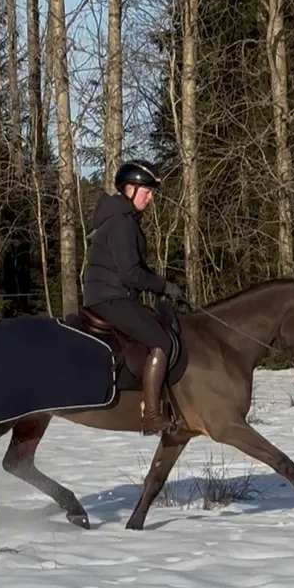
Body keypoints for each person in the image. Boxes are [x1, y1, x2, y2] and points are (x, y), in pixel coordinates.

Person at [82, 162, 185, 432]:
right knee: (161, 340)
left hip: (110, 295)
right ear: (130, 189)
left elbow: (136, 269)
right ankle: (151, 415)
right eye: (147, 192)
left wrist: (167, 287)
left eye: (151, 193)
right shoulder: (121, 223)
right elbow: (131, 274)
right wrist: (163, 287)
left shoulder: (121, 220)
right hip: (110, 298)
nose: (150, 199)